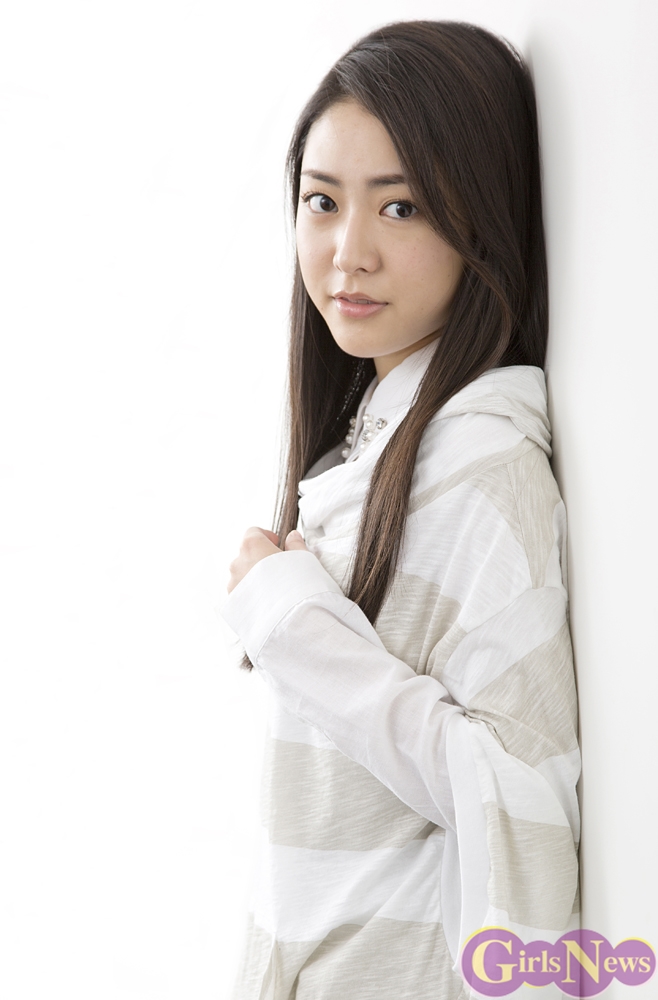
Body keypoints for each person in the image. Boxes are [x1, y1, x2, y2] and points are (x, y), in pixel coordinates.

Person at [221, 19, 580, 1000]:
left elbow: (524, 799)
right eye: (322, 201)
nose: (348, 253)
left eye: (402, 206)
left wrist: (294, 624)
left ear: (482, 220)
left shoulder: (482, 470)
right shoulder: (370, 453)